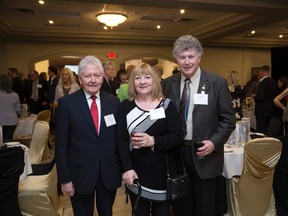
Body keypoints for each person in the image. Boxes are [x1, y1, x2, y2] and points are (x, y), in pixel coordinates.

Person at [162, 35, 235, 216]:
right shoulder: (167, 84)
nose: (187, 62)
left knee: (205, 208)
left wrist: (214, 142)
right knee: (181, 208)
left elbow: (228, 120)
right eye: (182, 57)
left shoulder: (216, 83)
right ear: (176, 59)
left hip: (205, 154)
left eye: (191, 57)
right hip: (177, 155)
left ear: (199, 58)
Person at [55, 55, 121, 216]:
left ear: (102, 76)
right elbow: (61, 145)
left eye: (97, 75)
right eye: (88, 76)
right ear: (79, 79)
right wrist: (64, 179)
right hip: (79, 174)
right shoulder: (66, 104)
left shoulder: (113, 102)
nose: (93, 80)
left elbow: (119, 138)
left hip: (108, 172)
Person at [117, 63, 182, 216]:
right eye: (138, 78)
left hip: (163, 175)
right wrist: (127, 168)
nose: (142, 81)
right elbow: (120, 140)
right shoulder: (125, 107)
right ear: (132, 82)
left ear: (154, 81)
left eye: (147, 77)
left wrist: (153, 141)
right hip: (136, 174)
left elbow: (177, 136)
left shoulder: (166, 105)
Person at [253, 65, 278, 134]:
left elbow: (260, 98)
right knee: (269, 130)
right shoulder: (273, 82)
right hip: (271, 110)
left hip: (261, 111)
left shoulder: (262, 83)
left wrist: (254, 96)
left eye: (260, 72)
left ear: (262, 72)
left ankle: (261, 144)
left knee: (261, 131)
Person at [0, 74, 21, 142]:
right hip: (12, 121)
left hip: (1, 121)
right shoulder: (15, 95)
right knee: (9, 140)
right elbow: (18, 110)